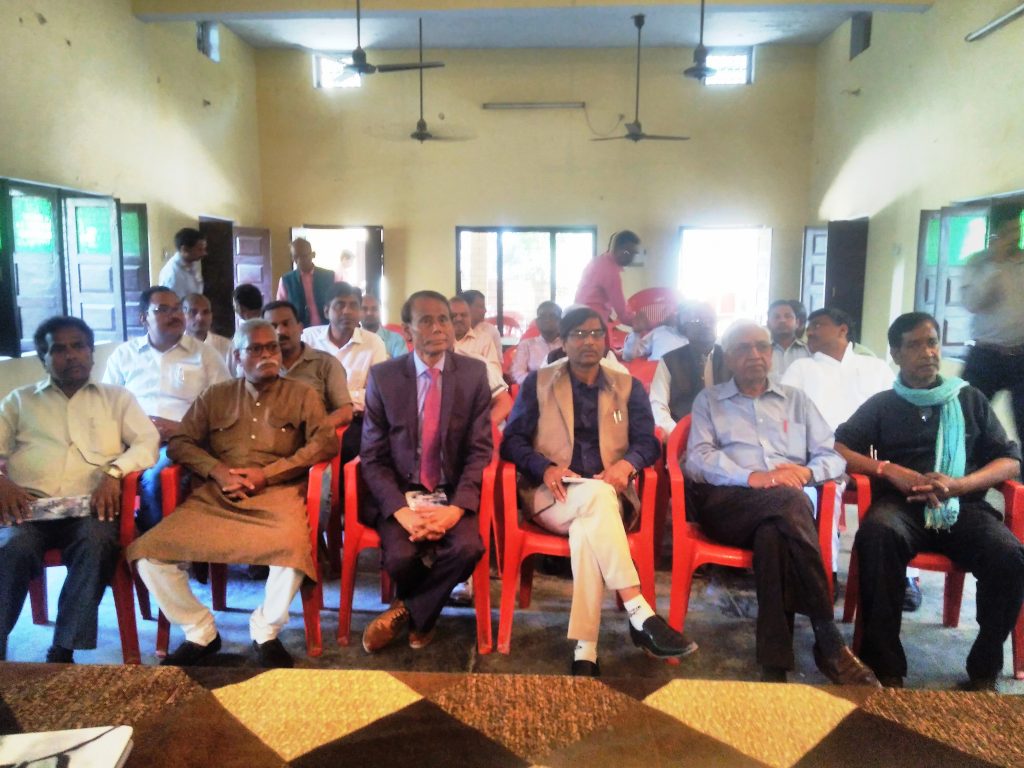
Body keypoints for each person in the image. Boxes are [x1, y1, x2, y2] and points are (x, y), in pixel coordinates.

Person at [128, 319, 339, 668]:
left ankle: (266, 631)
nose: (267, 355)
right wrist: (217, 470)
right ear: (237, 357)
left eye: (272, 347)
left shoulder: (303, 395)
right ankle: (199, 630)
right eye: (255, 349)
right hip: (217, 496)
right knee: (147, 553)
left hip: (278, 494)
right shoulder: (216, 396)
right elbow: (180, 443)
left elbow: (325, 443)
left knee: (292, 549)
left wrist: (268, 474)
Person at [835, 312, 1024, 691]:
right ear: (896, 354)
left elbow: (1009, 459)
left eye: (933, 342)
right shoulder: (884, 404)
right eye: (915, 345)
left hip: (964, 508)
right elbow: (840, 446)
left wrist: (961, 484)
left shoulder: (968, 399)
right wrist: (888, 469)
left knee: (1010, 556)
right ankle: (886, 666)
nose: (928, 352)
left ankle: (984, 666)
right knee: (876, 536)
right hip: (900, 508)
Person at [502, 307, 696, 676]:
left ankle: (587, 648)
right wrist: (544, 468)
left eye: (595, 333)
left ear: (606, 340)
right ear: (563, 342)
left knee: (589, 524)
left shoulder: (626, 386)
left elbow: (647, 442)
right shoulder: (539, 383)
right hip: (554, 494)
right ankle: (638, 612)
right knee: (596, 503)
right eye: (578, 334)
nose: (588, 341)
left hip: (611, 492)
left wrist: (627, 465)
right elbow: (511, 441)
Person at [685, 320, 878, 685]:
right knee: (791, 502)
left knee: (774, 534)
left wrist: (806, 472)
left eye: (762, 346)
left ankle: (774, 665)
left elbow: (832, 456)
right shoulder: (709, 400)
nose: (754, 355)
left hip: (785, 508)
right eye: (743, 348)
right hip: (728, 504)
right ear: (728, 358)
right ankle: (828, 638)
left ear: (772, 354)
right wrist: (752, 477)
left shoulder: (797, 400)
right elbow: (697, 459)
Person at [0, 317, 159, 663]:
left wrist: (114, 473)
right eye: (58, 349)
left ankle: (63, 648)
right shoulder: (19, 402)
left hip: (93, 509)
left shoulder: (117, 399)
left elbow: (147, 443)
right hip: (29, 510)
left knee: (96, 543)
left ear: (91, 353)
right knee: (11, 548)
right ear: (43, 358)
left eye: (78, 346)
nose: (71, 355)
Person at [359, 291, 492, 653]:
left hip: (451, 490)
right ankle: (424, 616)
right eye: (426, 321)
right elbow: (372, 456)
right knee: (400, 556)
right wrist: (400, 511)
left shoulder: (473, 374)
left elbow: (480, 451)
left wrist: (457, 509)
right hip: (403, 491)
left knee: (468, 548)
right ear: (407, 330)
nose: (438, 328)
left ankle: (408, 610)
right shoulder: (384, 377)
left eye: (444, 319)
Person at [781, 307, 904, 600]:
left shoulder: (874, 367)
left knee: (903, 491)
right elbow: (786, 414)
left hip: (869, 455)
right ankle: (826, 571)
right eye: (809, 326)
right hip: (820, 454)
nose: (810, 331)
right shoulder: (801, 368)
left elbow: (896, 413)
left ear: (843, 330)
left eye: (818, 325)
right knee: (821, 488)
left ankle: (906, 577)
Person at [103, 286, 231, 531]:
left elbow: (225, 408)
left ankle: (154, 543)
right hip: (129, 442)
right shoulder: (124, 355)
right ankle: (112, 539)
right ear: (143, 318)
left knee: (156, 478)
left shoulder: (205, 355)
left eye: (177, 309)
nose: (174, 315)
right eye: (163, 309)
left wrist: (183, 429)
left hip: (177, 444)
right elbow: (106, 405)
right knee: (95, 471)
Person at [301, 282, 388, 462]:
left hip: (354, 420)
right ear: (326, 311)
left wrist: (339, 402)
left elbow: (377, 394)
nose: (347, 311)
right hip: (307, 417)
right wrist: (352, 395)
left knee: (348, 448)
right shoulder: (307, 339)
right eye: (340, 305)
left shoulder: (373, 343)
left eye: (353, 306)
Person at [962, 213, 1024, 441]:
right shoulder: (977, 263)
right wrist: (995, 265)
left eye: (1017, 230)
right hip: (985, 356)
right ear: (995, 235)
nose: (1014, 237)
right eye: (1008, 232)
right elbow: (972, 304)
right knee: (966, 420)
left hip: (1021, 355)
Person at [650, 300, 728, 437]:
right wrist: (678, 436)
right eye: (698, 320)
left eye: (710, 320)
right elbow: (657, 405)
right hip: (683, 435)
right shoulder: (670, 361)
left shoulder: (730, 358)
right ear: (685, 328)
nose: (706, 325)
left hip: (727, 435)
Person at [574, 231, 640, 327]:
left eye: (634, 254)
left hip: (579, 318)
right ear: (616, 248)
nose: (630, 257)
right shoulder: (610, 271)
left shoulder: (599, 261)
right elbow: (623, 315)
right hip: (590, 323)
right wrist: (645, 324)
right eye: (627, 252)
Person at [275, 238, 337, 327]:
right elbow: (281, 309)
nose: (300, 260)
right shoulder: (286, 280)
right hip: (300, 330)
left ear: (313, 255)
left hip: (329, 327)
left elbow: (340, 302)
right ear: (292, 258)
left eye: (304, 256)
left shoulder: (331, 276)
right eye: (296, 257)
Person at [510, 301, 563, 385]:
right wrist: (540, 383)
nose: (547, 320)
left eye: (552, 316)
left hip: (565, 388)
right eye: (542, 316)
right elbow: (518, 374)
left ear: (560, 321)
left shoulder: (567, 344)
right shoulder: (526, 345)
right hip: (535, 389)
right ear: (537, 322)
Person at [622, 303, 690, 362]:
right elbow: (628, 355)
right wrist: (636, 332)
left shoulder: (692, 345)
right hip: (655, 371)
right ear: (677, 316)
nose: (691, 321)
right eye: (688, 315)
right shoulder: (661, 331)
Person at [182, 293, 233, 369]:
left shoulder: (227, 347)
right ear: (182, 315)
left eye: (205, 312)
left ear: (211, 316)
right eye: (193, 312)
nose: (200, 318)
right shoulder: (172, 346)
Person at [767, 299, 810, 377]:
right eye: (776, 317)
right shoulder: (761, 352)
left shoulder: (809, 351)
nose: (782, 320)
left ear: (797, 323)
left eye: (788, 316)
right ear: (768, 324)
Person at [158, 228, 206, 299]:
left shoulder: (191, 264)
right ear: (184, 249)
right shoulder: (173, 274)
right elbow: (177, 303)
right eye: (200, 249)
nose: (204, 253)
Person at [361, 293, 407, 358]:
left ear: (380, 311)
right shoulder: (352, 339)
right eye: (364, 309)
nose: (369, 313)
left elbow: (402, 363)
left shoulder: (396, 340)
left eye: (374, 309)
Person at [459, 289, 504, 353]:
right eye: (481, 306)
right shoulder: (454, 331)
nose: (485, 310)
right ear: (467, 307)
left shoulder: (491, 331)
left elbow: (497, 359)